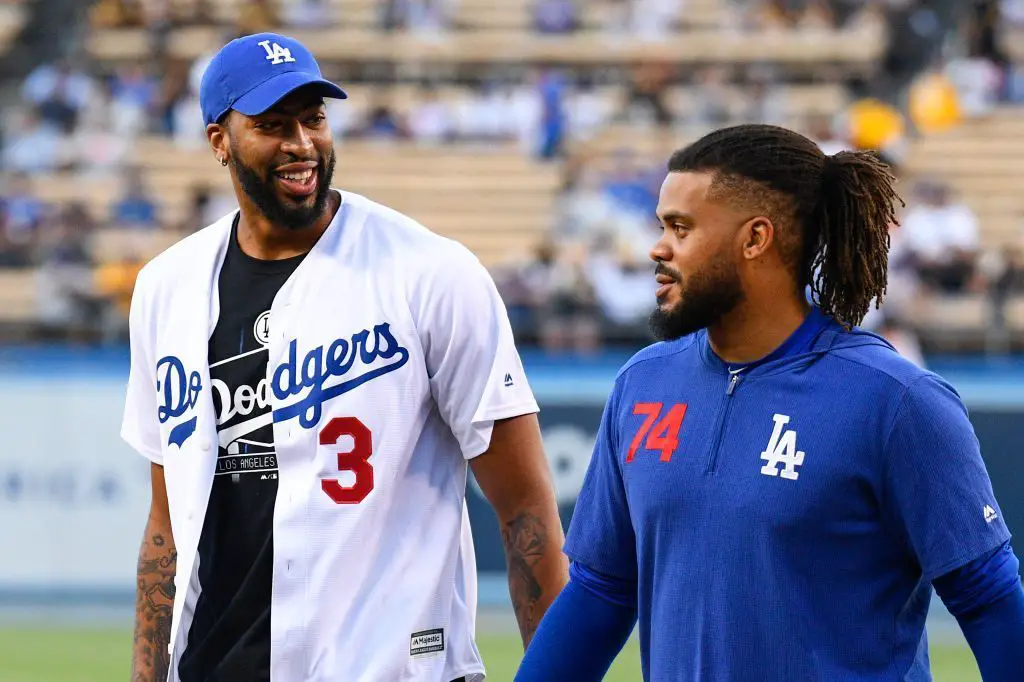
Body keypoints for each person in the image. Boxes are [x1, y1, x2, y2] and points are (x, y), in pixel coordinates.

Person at [121, 33, 568, 682]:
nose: (301, 143)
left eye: (314, 118)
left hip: (391, 668)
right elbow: (165, 527)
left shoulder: (430, 274)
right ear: (220, 141)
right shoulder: (167, 288)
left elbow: (526, 510)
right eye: (272, 125)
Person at [515, 124, 1024, 681]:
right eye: (662, 225)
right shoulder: (643, 383)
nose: (657, 248)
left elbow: (988, 598)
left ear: (755, 239)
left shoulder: (898, 402)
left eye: (680, 228)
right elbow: (602, 591)